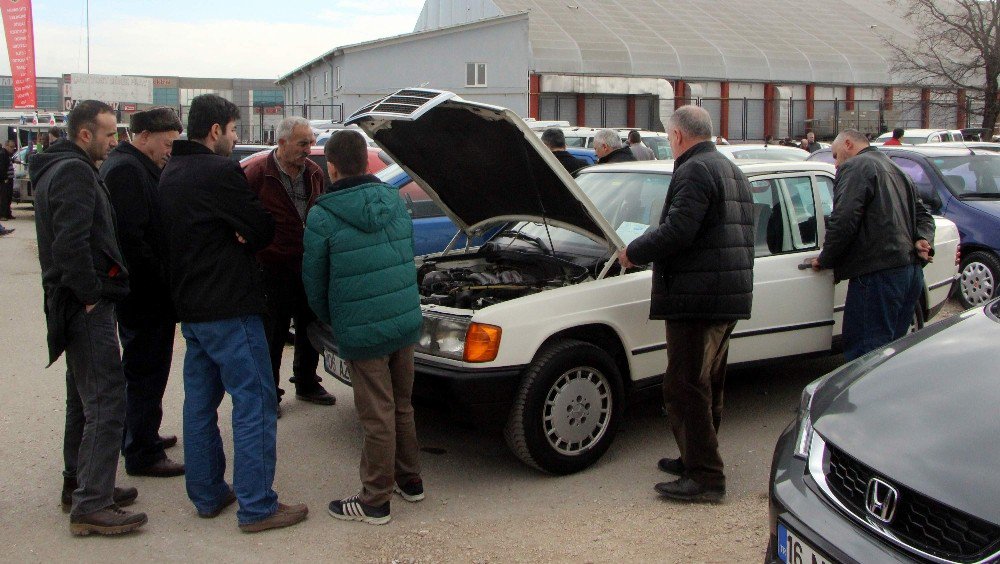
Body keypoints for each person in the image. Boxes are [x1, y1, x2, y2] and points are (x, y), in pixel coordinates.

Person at [157, 94, 307, 532]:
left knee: (200, 403)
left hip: (192, 310)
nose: (237, 138)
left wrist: (235, 229)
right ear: (215, 131)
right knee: (256, 401)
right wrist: (240, 232)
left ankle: (207, 494)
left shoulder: (171, 172)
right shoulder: (219, 171)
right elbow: (262, 227)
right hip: (230, 306)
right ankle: (258, 506)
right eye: (235, 130)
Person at [618, 105, 754, 503]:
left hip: (698, 297)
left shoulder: (694, 170)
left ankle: (706, 478)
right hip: (724, 292)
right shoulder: (729, 168)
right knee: (705, 381)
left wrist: (634, 252)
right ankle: (694, 455)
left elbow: (679, 231)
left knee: (684, 385)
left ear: (677, 136)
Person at [33, 100, 147, 536]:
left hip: (73, 301)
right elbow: (71, 243)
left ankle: (80, 485)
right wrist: (90, 295)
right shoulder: (75, 172)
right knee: (106, 401)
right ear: (85, 135)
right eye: (109, 133)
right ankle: (91, 504)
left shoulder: (59, 169)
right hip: (83, 306)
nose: (114, 141)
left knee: (83, 399)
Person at [303, 130, 424, 526]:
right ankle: (410, 481)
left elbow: (314, 280)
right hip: (404, 321)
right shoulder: (394, 198)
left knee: (377, 415)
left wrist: (330, 318)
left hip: (362, 327)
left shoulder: (323, 214)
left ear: (332, 167)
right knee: (401, 406)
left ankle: (375, 499)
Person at [100, 107, 185, 478]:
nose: (169, 151)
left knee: (144, 368)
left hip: (145, 292)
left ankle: (139, 433)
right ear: (144, 136)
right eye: (166, 143)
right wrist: (163, 281)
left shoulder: (134, 165)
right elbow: (132, 240)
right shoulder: (126, 171)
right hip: (144, 295)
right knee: (145, 370)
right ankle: (141, 451)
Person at [810, 129, 934, 360]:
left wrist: (825, 259)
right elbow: (924, 216)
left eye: (835, 156)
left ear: (848, 144)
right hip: (909, 273)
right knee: (890, 354)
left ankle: (864, 397)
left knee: (865, 356)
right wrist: (923, 239)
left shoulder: (856, 167)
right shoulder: (896, 168)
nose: (835, 164)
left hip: (878, 274)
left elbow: (844, 220)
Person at [243, 116, 335, 411]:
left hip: (306, 262)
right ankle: (270, 393)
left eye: (311, 142)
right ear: (281, 143)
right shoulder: (257, 172)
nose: (309, 149)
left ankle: (307, 383)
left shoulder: (313, 173)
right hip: (270, 265)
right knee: (274, 332)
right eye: (302, 143)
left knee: (310, 324)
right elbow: (242, 214)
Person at [0, 139, 13, 219]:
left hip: (9, 179)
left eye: (14, 147)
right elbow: (2, 167)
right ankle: (3, 215)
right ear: (6, 146)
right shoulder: (3, 154)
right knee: (4, 197)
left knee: (8, 197)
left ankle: (8, 213)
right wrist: (4, 178)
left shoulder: (7, 154)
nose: (13, 149)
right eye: (11, 147)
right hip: (5, 180)